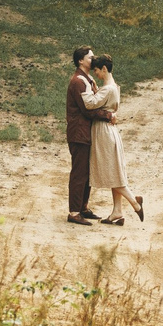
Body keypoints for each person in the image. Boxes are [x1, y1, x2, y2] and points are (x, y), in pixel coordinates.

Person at [83, 55, 143, 224]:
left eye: (96, 71)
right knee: (114, 170)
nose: (95, 74)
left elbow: (89, 103)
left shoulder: (107, 88)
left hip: (103, 132)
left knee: (110, 172)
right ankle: (117, 211)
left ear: (104, 68)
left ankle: (134, 202)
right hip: (110, 130)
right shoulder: (113, 86)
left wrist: (89, 88)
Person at [63, 45, 105, 224]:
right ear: (81, 61)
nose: (93, 60)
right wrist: (108, 115)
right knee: (79, 172)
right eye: (90, 57)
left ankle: (82, 207)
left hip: (85, 133)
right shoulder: (78, 81)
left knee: (87, 172)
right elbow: (88, 109)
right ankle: (74, 212)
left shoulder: (85, 79)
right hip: (79, 133)